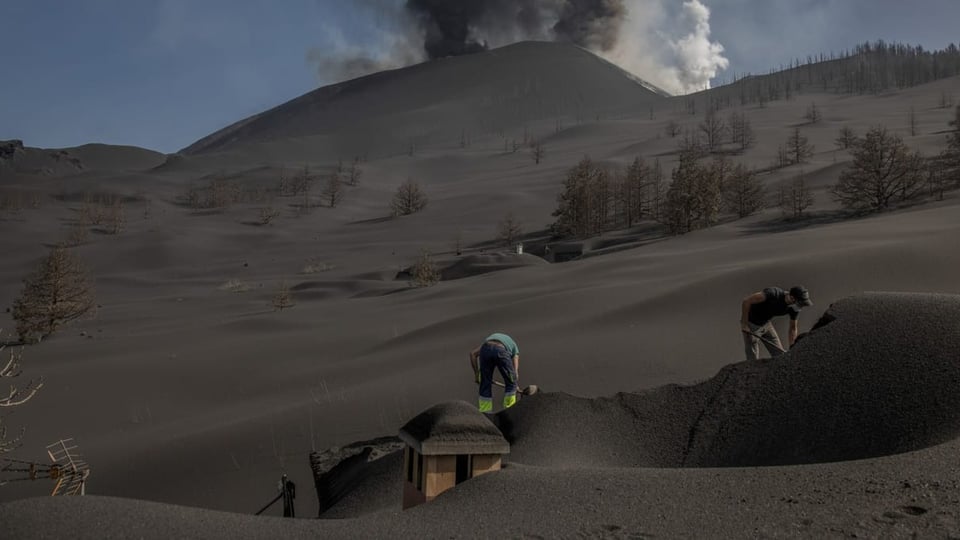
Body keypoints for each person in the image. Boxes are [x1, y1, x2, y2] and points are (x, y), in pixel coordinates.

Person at [740, 286, 813, 361]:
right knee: (752, 357)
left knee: (780, 354)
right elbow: (746, 301)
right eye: (801, 303)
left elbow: (793, 328)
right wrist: (744, 324)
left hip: (766, 323)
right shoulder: (773, 294)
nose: (801, 307)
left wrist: (792, 348)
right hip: (752, 324)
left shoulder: (794, 309)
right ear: (792, 298)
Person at [469, 333, 520, 412]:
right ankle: (510, 410)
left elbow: (472, 354)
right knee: (511, 382)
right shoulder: (513, 346)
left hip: (485, 349)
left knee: (485, 383)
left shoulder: (487, 343)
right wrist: (514, 376)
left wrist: (477, 374)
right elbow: (515, 356)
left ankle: (485, 412)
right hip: (500, 350)